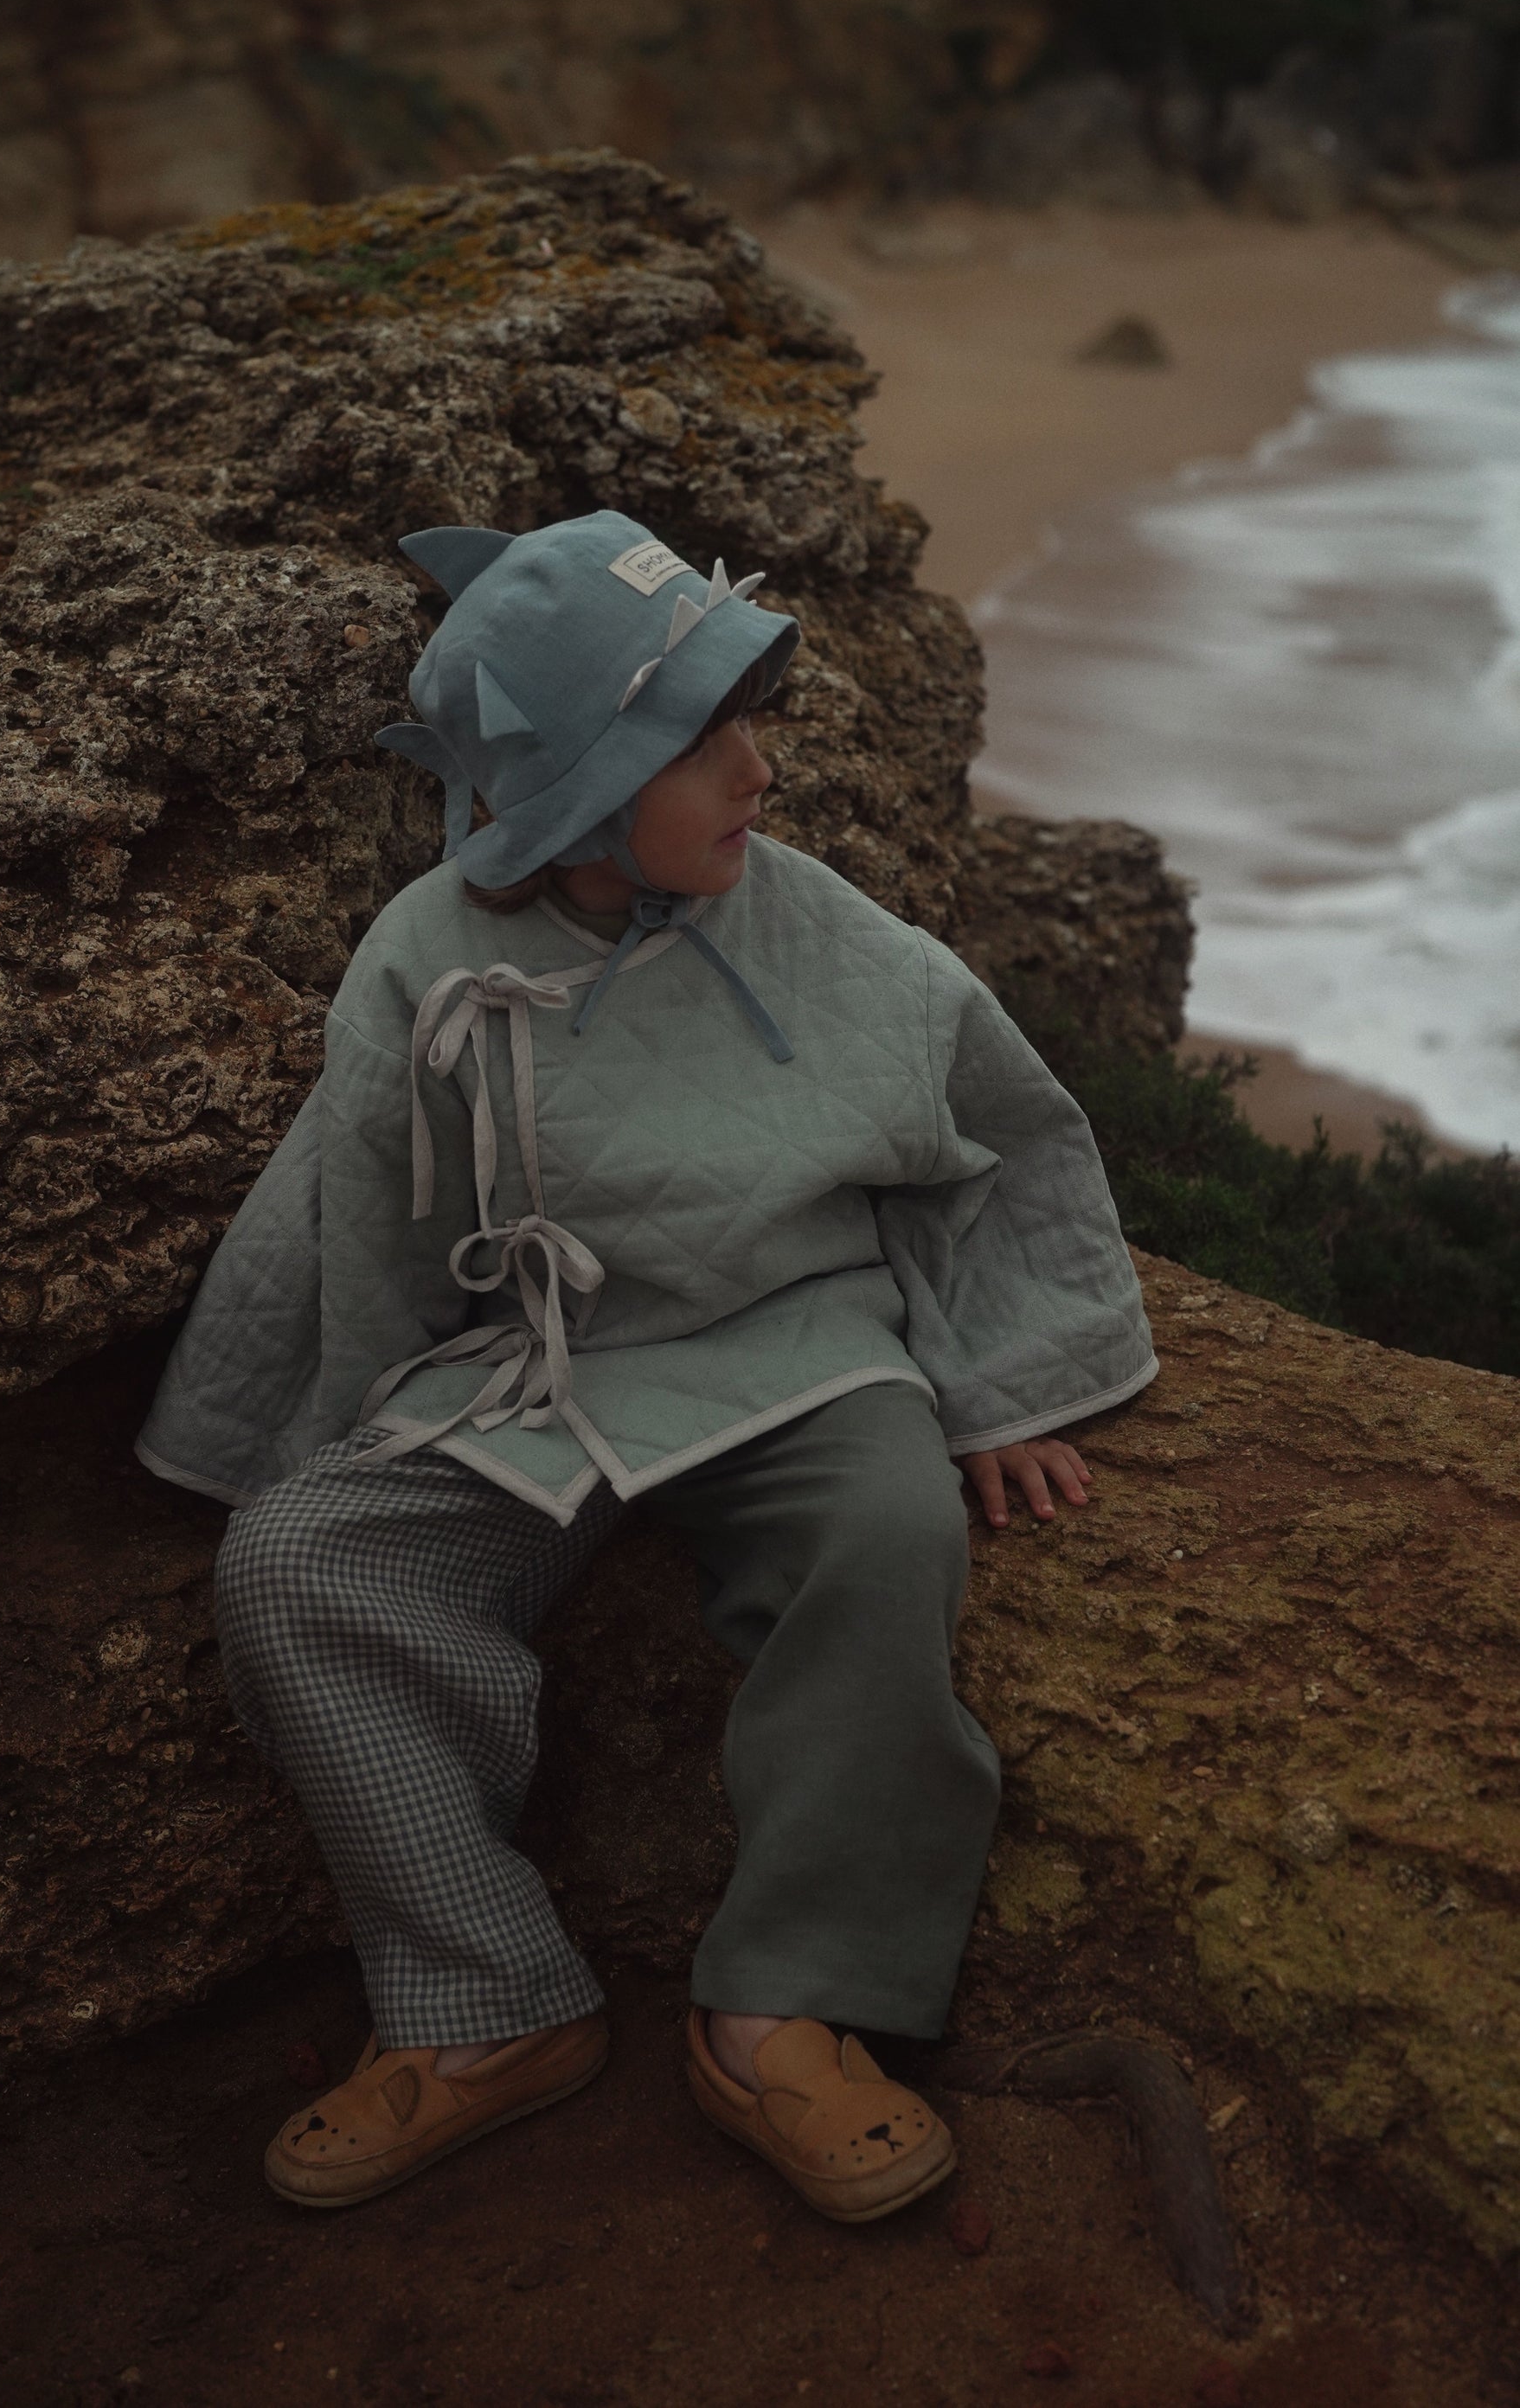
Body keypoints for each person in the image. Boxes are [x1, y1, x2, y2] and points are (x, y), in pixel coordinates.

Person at [137, 509, 1156, 2222]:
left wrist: (1002, 1378)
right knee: (298, 1563)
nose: (760, 769)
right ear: (581, 791)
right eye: (703, 740)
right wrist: (295, 1441)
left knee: (886, 1535)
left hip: (795, 1345)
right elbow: (353, 1211)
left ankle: (786, 2002)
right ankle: (487, 1997)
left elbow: (993, 1134)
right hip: (529, 1368)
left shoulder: (815, 923)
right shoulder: (425, 959)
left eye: (750, 721)